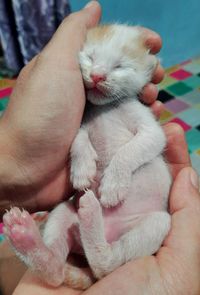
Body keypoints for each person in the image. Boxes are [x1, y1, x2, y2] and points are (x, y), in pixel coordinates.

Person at [0, 1, 199, 294]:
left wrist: (120, 168)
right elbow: (79, 136)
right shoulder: (80, 114)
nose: (98, 75)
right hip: (86, 217)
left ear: (146, 73)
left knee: (159, 222)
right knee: (64, 213)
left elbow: (154, 138)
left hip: (134, 221)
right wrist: (79, 150)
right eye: (90, 59)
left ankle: (108, 258)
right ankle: (50, 259)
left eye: (120, 67)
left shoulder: (132, 107)